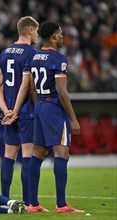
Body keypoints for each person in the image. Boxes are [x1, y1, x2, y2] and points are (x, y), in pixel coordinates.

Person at [26, 21, 85, 213]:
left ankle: (33, 204)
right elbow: (62, 91)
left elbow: (32, 87)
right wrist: (73, 119)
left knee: (37, 154)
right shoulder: (59, 59)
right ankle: (61, 205)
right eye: (60, 34)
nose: (62, 37)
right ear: (53, 36)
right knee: (61, 154)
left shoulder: (34, 58)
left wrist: (39, 107)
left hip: (40, 106)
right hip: (53, 107)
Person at [0, 16, 39, 206]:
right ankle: (29, 203)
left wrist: (6, 111)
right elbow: (25, 86)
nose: (37, 35)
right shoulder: (31, 53)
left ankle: (5, 200)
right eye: (36, 31)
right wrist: (17, 111)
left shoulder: (4, 52)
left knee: (9, 156)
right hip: (25, 111)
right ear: (29, 31)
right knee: (27, 155)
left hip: (8, 112)